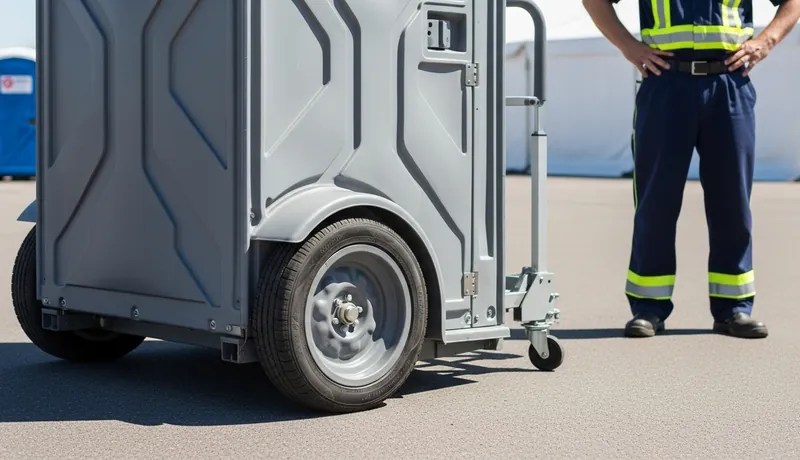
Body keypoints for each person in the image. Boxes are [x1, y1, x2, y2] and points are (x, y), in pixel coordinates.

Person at [582, 0, 800, 338]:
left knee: (733, 203)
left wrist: (766, 40)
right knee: (656, 202)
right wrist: (629, 47)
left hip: (729, 84)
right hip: (666, 83)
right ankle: (648, 307)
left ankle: (733, 308)